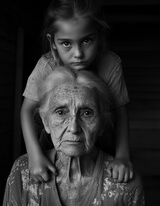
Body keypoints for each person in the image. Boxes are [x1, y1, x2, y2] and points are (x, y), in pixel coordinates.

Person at [21, 0, 132, 184]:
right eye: (66, 44)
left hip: (100, 137)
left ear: (99, 36)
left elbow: (120, 113)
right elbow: (27, 110)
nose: (78, 53)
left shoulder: (110, 64)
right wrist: (34, 155)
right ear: (52, 43)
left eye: (87, 41)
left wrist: (123, 156)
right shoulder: (46, 65)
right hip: (51, 139)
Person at [3, 67, 145, 206]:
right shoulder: (23, 172)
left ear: (102, 124)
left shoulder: (125, 184)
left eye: (87, 113)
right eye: (61, 112)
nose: (74, 128)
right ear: (45, 121)